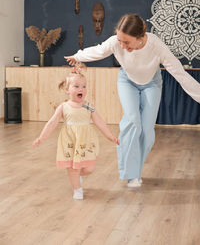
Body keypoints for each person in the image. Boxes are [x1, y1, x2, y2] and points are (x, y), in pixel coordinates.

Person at [64, 13, 200, 188]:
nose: (122, 45)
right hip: (127, 81)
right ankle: (131, 174)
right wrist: (78, 56)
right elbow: (99, 50)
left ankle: (137, 168)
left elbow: (180, 74)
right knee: (132, 122)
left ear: (140, 37)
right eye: (120, 40)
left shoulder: (156, 46)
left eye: (126, 42)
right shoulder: (116, 42)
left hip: (152, 83)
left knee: (147, 131)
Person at [32, 62, 119, 200]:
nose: (81, 89)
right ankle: (77, 188)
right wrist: (41, 138)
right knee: (73, 168)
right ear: (67, 89)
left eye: (84, 86)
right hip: (70, 141)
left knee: (89, 168)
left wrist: (110, 136)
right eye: (76, 86)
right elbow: (52, 123)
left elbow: (99, 122)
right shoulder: (64, 106)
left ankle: (77, 177)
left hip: (85, 141)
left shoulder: (88, 107)